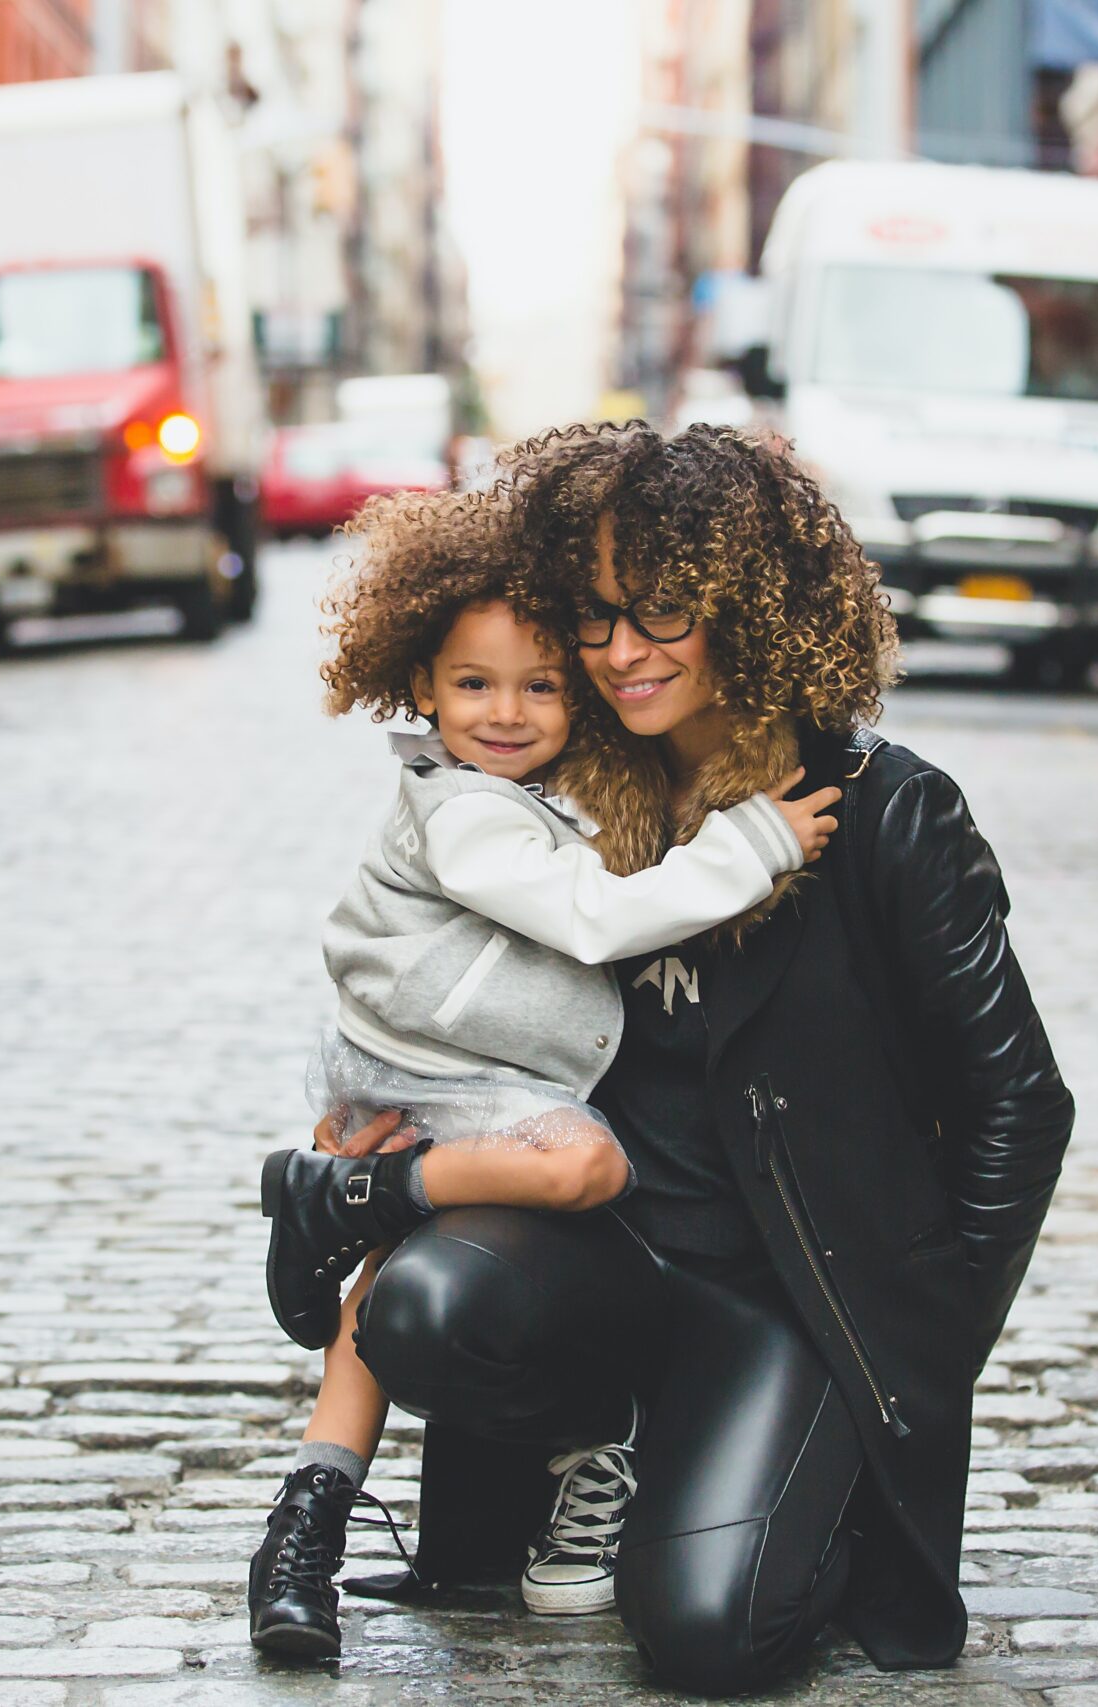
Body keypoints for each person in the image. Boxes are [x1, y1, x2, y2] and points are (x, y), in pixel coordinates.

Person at [341, 422, 1077, 1695]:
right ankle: (610, 1451)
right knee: (425, 1311)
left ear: (751, 606)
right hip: (607, 1260)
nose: (621, 653)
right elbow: (426, 982)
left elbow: (1020, 1103)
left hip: (788, 1298)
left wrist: (915, 1352)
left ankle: (787, 1481)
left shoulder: (886, 814)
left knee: (706, 1636)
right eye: (596, 616)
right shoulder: (563, 793)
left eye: (664, 613)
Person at [248, 485, 843, 1658]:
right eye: (475, 686)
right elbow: (589, 918)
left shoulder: (533, 791)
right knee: (582, 1162)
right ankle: (359, 1205)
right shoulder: (463, 811)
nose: (509, 712)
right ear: (421, 686)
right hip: (443, 1067)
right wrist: (757, 843)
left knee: (384, 1276)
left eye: (540, 685)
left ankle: (303, 1519)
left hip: (433, 1065)